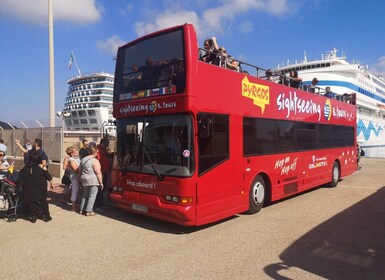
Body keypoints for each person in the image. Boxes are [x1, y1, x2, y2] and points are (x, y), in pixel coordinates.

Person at [17, 151, 54, 223]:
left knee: (32, 202)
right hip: (41, 188)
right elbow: (49, 177)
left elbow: (20, 180)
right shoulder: (41, 168)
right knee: (43, 201)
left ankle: (33, 216)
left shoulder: (25, 169)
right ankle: (46, 216)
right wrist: (51, 183)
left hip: (29, 189)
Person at [78, 142, 103, 216]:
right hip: (92, 179)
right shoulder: (95, 161)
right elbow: (98, 173)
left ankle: (81, 209)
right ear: (96, 152)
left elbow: (79, 171)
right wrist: (101, 182)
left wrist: (79, 180)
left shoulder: (83, 159)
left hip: (83, 178)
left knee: (85, 194)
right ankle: (89, 211)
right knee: (92, 195)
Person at [95, 138, 112, 210]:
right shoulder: (98, 150)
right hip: (101, 172)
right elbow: (98, 161)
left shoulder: (102, 150)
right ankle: (98, 205)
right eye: (107, 144)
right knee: (100, 189)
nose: (107, 146)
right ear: (104, 143)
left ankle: (100, 203)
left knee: (102, 189)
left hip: (104, 171)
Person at [67, 147, 81, 212]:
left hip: (77, 177)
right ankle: (73, 207)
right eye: (75, 151)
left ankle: (75, 205)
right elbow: (76, 170)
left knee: (76, 191)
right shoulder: (71, 160)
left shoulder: (76, 159)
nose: (77, 152)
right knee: (75, 191)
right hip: (75, 177)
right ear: (72, 153)